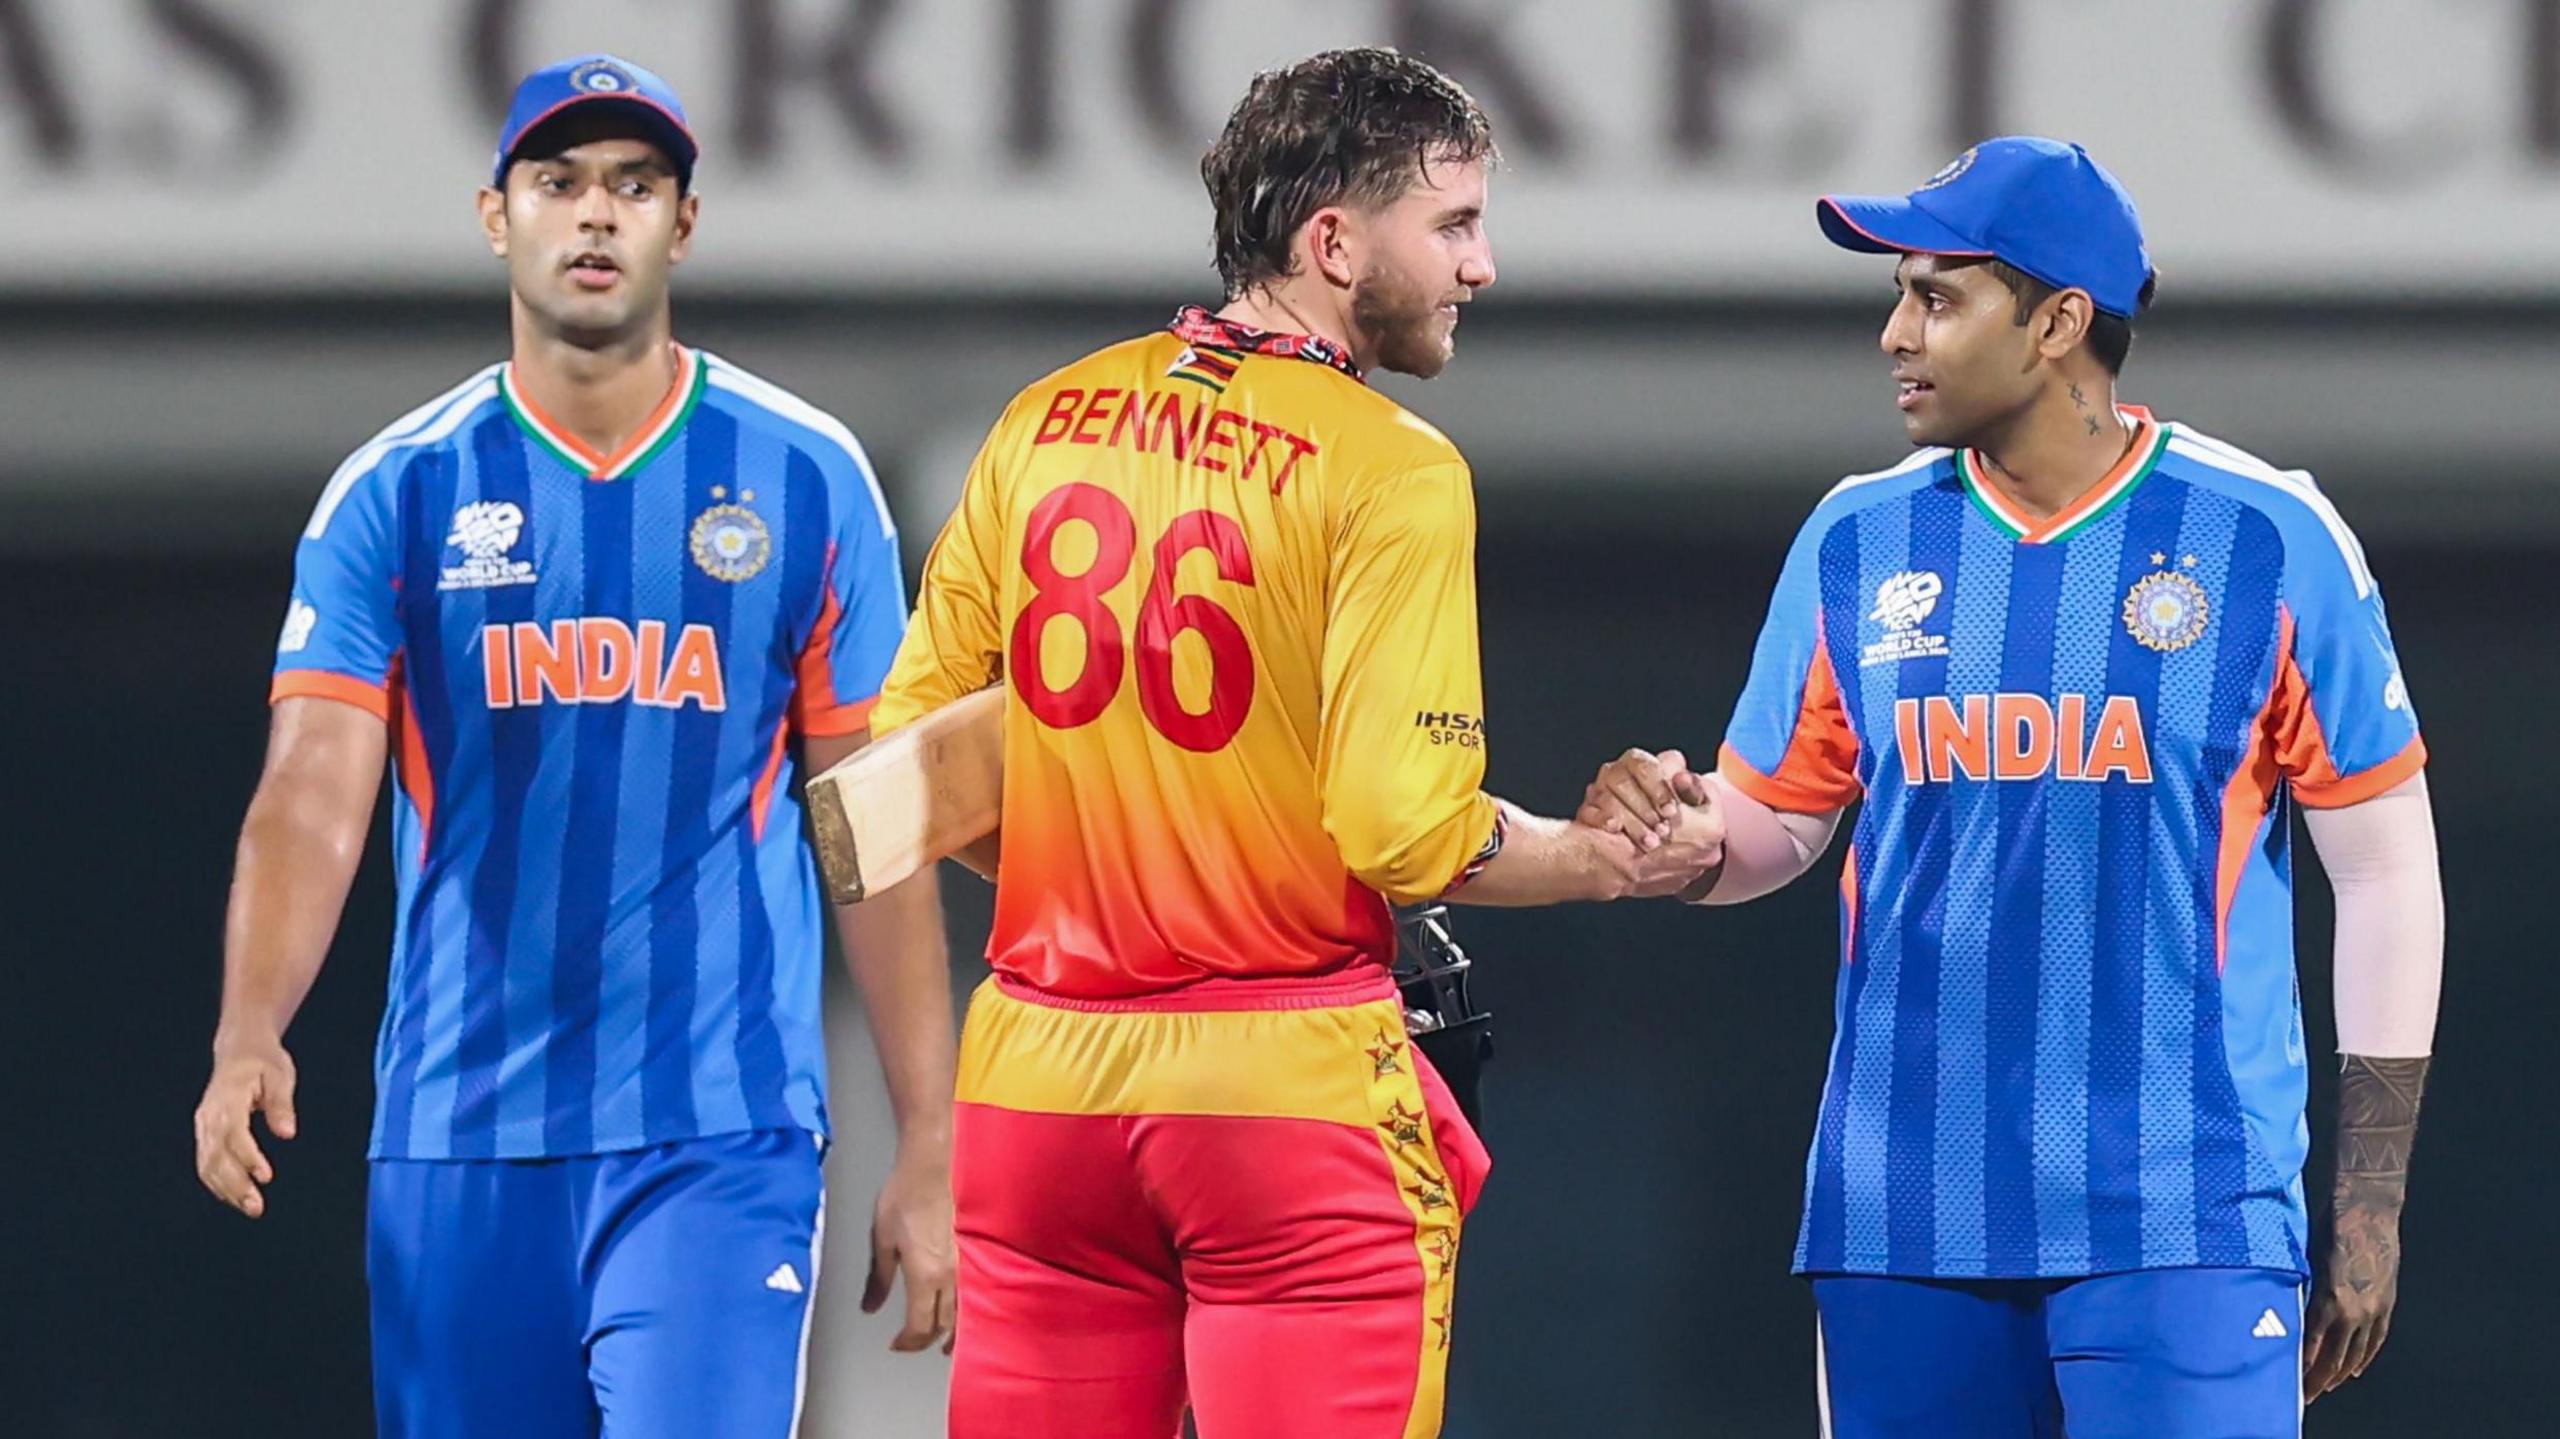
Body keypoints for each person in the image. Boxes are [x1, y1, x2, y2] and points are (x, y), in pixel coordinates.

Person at [873, 46, 1718, 1439]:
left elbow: (912, 772)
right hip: (1281, 1095)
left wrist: (1103, 883)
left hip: (1033, 1091)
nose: (1483, 265)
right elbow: (1403, 829)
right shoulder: (1391, 466)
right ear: (1332, 241)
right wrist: (1596, 861)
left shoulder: (1039, 423)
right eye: (1452, 225)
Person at [1581, 136, 2443, 1438]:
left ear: (2057, 322)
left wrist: (2369, 1209)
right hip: (1900, 1216)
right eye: (1899, 295)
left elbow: (2385, 874)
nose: (1894, 334)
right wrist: (1680, 837)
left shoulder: (2266, 539)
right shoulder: (1858, 538)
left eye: (1936, 296)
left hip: (2185, 1214)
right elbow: (1776, 826)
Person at [190, 54, 959, 1438]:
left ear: (684, 223)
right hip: (460, 1135)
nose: (595, 216)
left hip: (719, 1137)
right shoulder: (400, 491)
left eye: (634, 185)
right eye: (560, 184)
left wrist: (932, 1138)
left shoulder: (806, 475)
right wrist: (252, 1028)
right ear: (498, 217)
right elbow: (310, 798)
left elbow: (873, 822)